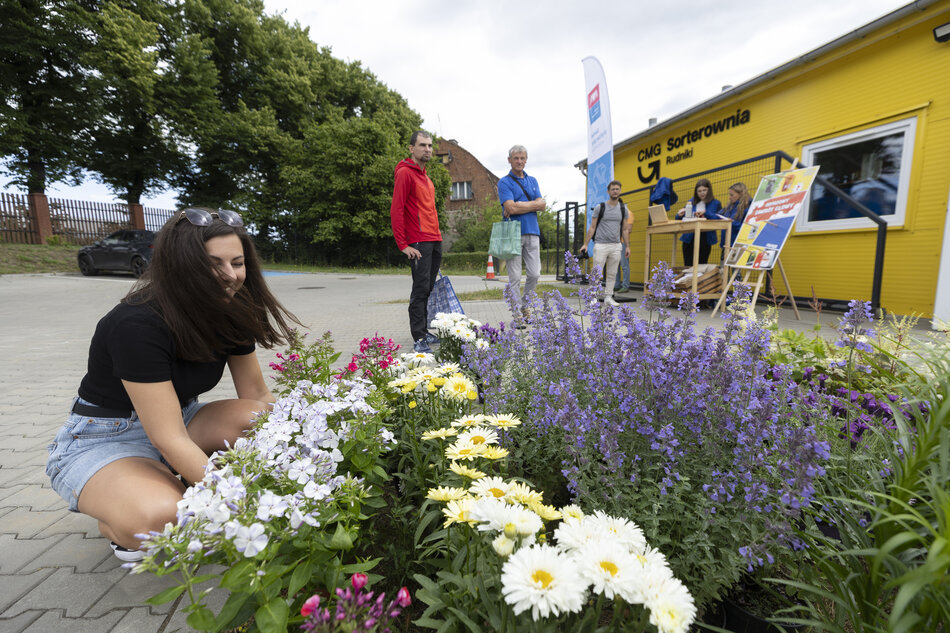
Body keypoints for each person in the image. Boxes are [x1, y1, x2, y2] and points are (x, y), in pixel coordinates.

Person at [46, 207, 299, 561]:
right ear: (180, 265)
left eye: (237, 263)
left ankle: (161, 481)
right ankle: (120, 515)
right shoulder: (137, 323)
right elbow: (168, 438)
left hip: (179, 419)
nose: (230, 276)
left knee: (261, 419)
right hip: (104, 438)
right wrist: (236, 503)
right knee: (164, 519)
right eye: (214, 264)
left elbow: (257, 394)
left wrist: (302, 457)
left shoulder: (232, 309)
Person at [390, 131, 442, 353]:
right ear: (411, 148)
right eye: (422, 145)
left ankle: (424, 331)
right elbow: (396, 209)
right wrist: (403, 244)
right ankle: (418, 337)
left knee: (428, 288)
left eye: (430, 145)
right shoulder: (405, 174)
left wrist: (438, 236)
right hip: (418, 241)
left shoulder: (426, 178)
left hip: (434, 239)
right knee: (420, 290)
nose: (427, 149)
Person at [497, 144, 545, 314]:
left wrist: (520, 205)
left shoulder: (532, 181)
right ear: (509, 160)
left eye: (522, 158)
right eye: (516, 158)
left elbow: (543, 205)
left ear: (526, 160)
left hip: (533, 232)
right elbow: (511, 209)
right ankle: (517, 313)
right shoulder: (504, 182)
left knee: (535, 273)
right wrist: (533, 205)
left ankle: (525, 305)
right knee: (515, 277)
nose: (519, 161)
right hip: (513, 233)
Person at [579, 180, 630, 306]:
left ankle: (608, 297)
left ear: (620, 191)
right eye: (612, 189)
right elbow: (592, 227)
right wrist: (585, 244)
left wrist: (627, 246)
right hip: (601, 244)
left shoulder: (624, 209)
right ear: (608, 191)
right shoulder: (600, 207)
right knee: (596, 272)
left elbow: (624, 229)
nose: (615, 191)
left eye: (617, 189)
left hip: (616, 245)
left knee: (613, 273)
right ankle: (593, 297)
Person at [675, 178, 722, 266]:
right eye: (699, 191)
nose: (702, 193)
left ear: (709, 190)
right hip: (689, 237)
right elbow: (680, 219)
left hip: (705, 237)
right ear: (696, 192)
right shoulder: (691, 202)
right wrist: (679, 215)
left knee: (701, 265)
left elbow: (719, 219)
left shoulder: (715, 203)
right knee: (688, 266)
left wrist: (706, 213)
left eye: (704, 190)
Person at [708, 182, 752, 252]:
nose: (729, 197)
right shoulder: (729, 207)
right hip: (726, 245)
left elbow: (746, 228)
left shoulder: (749, 208)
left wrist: (731, 222)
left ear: (740, 194)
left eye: (731, 195)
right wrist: (705, 212)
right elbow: (717, 216)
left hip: (739, 247)